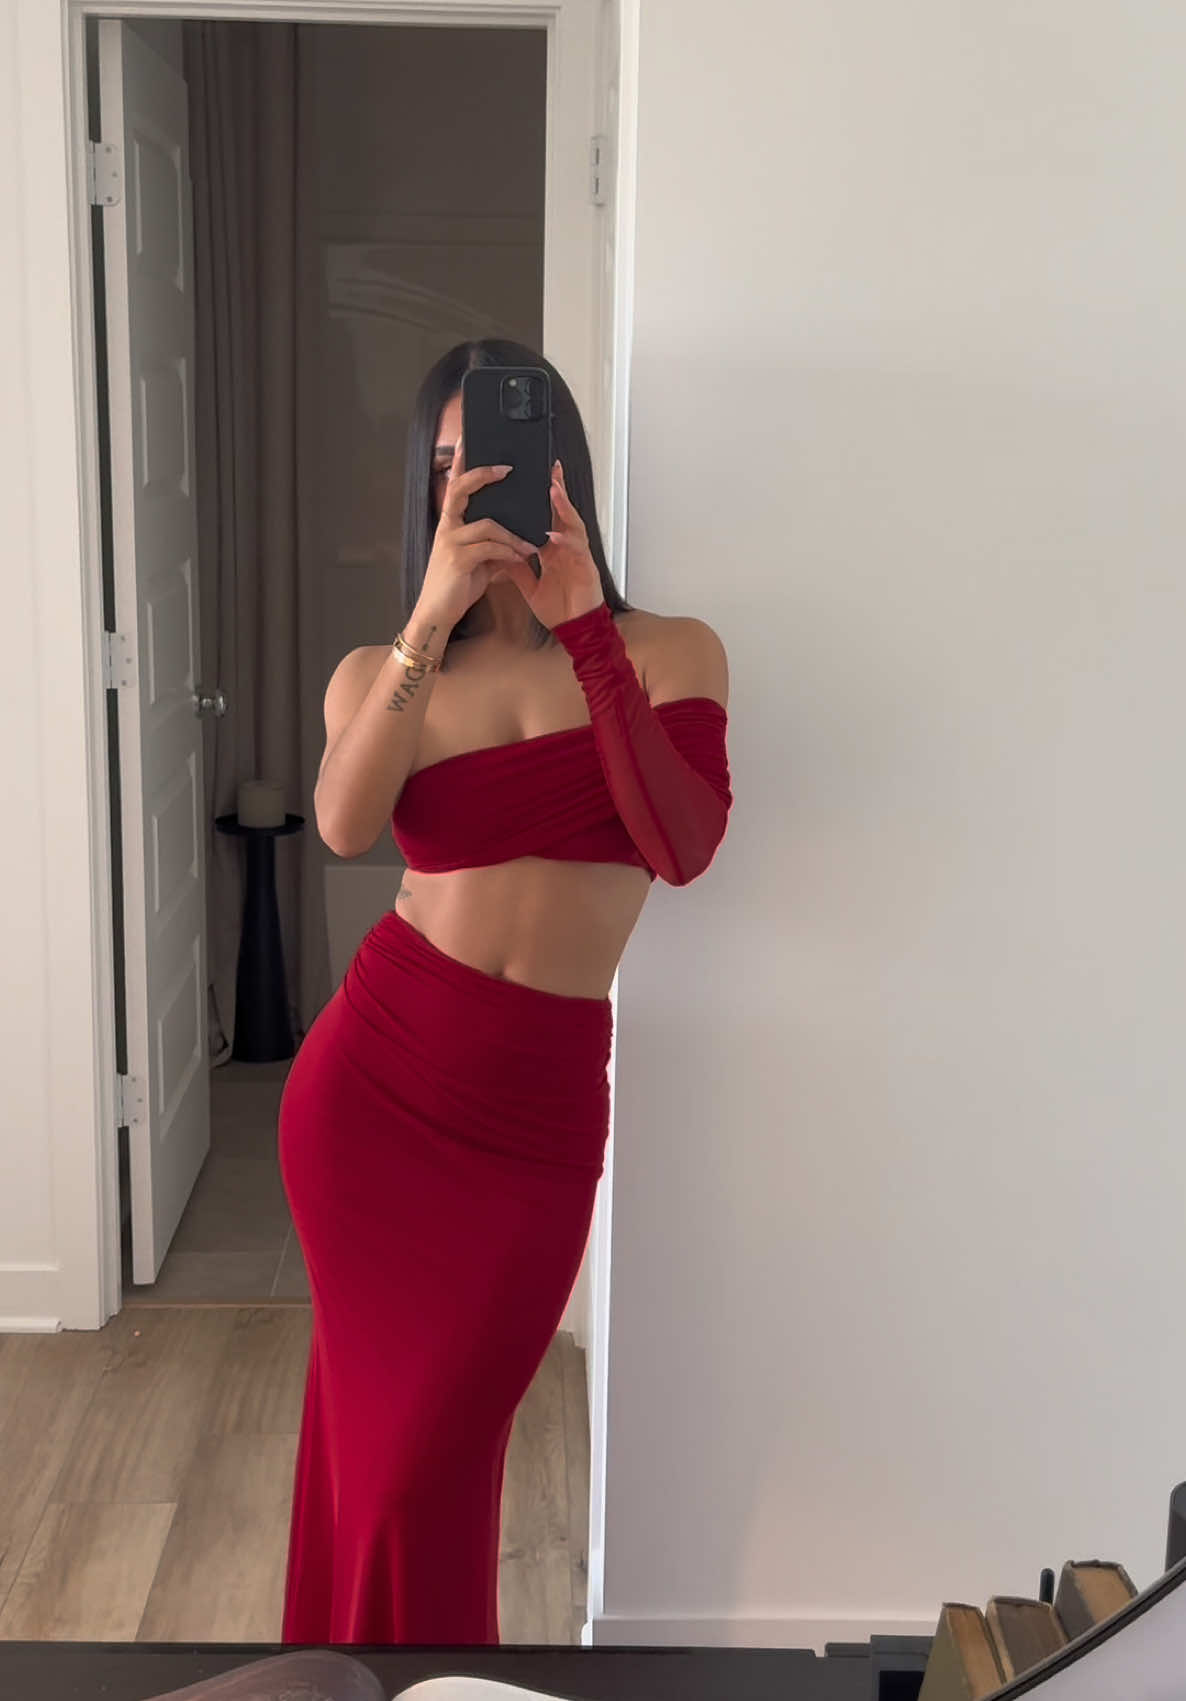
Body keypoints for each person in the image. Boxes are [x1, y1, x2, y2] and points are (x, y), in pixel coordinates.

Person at [277, 338, 733, 1646]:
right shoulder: (379, 674)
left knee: (432, 1455)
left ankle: (376, 1670)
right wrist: (428, 619)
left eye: (493, 457)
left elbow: (680, 844)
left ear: (558, 469)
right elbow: (345, 826)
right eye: (444, 466)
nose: (470, 485)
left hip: (531, 1123)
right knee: (385, 1464)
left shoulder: (671, 652)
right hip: (372, 1096)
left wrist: (585, 627)